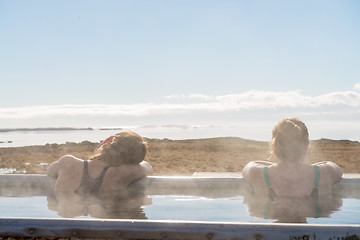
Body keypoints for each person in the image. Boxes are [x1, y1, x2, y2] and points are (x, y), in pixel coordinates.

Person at [242, 118, 342, 198]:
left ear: (274, 147)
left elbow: (252, 164)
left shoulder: (256, 173)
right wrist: (309, 168)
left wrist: (277, 167)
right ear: (306, 146)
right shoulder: (326, 172)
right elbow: (329, 164)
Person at [47, 131, 153, 194]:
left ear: (108, 140)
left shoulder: (67, 163)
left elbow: (50, 172)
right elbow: (147, 167)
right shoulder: (124, 173)